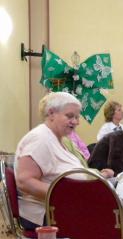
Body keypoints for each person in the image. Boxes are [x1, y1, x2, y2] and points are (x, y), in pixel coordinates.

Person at [15, 92, 114, 230]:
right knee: (116, 216)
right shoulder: (40, 139)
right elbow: (24, 182)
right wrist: (70, 195)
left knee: (121, 204)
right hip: (47, 214)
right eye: (70, 116)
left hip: (62, 208)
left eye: (77, 117)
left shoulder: (60, 140)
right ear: (51, 114)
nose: (76, 122)